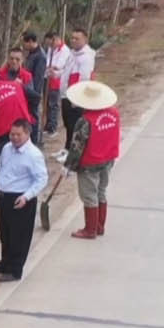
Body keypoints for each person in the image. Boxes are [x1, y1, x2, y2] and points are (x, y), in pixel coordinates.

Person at [0, 120, 48, 281]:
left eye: (18, 135)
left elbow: (41, 179)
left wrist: (26, 196)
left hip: (21, 198)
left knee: (18, 236)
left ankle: (14, 270)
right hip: (3, 196)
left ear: (27, 134)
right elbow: (1, 168)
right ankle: (5, 263)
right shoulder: (7, 148)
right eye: (12, 134)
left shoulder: (33, 155)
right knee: (5, 233)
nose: (14, 138)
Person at [62, 80, 120, 240]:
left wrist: (69, 166)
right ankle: (99, 226)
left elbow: (76, 147)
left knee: (89, 195)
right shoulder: (114, 113)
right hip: (108, 160)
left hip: (90, 163)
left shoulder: (85, 121)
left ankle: (90, 229)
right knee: (101, 191)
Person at [0, 65, 33, 186]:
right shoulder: (16, 85)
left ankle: (0, 198)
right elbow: (33, 98)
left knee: (0, 169)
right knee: (23, 165)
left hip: (4, 135)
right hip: (25, 129)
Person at [54, 29, 97, 143]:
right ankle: (67, 148)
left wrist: (77, 97)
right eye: (72, 38)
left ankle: (73, 149)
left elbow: (84, 78)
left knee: (74, 124)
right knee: (67, 123)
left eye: (77, 38)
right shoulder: (71, 53)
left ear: (85, 40)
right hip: (66, 93)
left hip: (76, 96)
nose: (73, 40)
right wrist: (57, 74)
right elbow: (66, 70)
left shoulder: (87, 57)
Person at [19, 33, 48, 144]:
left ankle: (35, 141)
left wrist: (33, 94)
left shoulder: (40, 56)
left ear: (31, 41)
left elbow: (38, 78)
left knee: (34, 117)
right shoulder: (31, 53)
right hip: (27, 89)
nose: (24, 46)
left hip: (33, 92)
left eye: (25, 43)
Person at [41, 31, 67, 138]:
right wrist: (48, 67)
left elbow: (59, 65)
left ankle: (53, 127)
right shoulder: (51, 49)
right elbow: (47, 62)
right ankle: (47, 125)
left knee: (53, 104)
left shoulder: (65, 50)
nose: (49, 46)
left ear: (56, 39)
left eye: (51, 43)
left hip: (56, 79)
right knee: (46, 103)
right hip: (48, 77)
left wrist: (53, 67)